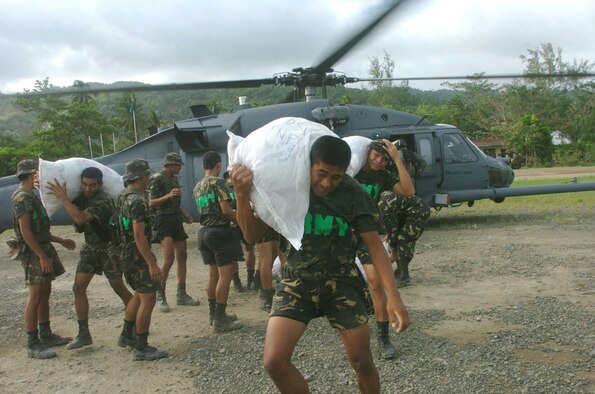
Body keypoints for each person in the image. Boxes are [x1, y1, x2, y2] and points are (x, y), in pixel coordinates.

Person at [231, 135, 410, 393]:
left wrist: (394, 297)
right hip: (296, 281)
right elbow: (251, 235)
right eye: (322, 173)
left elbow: (373, 245)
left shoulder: (351, 192)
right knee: (274, 362)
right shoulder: (288, 186)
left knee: (362, 361)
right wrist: (240, 195)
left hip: (341, 282)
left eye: (335, 177)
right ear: (310, 166)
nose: (326, 183)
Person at [45, 167, 133, 349]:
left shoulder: (102, 201)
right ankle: (84, 334)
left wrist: (62, 197)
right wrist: (45, 185)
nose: (87, 189)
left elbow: (80, 218)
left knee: (118, 286)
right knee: (78, 288)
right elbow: (65, 196)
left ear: (100, 184)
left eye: (92, 185)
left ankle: (134, 323)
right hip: (91, 248)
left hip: (109, 248)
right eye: (84, 185)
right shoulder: (83, 196)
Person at [352, 138, 415, 360]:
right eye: (376, 156)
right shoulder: (353, 169)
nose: (378, 161)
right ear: (368, 153)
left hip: (366, 234)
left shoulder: (383, 177)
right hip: (341, 233)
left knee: (377, 282)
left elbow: (408, 191)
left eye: (383, 159)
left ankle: (383, 338)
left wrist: (397, 159)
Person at [11, 159, 75, 359]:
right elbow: (26, 231)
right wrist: (41, 256)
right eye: (37, 174)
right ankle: (32, 343)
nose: (40, 177)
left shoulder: (31, 195)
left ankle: (45, 334)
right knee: (36, 295)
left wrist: (60, 240)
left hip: (42, 247)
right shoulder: (22, 198)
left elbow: (39, 230)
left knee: (45, 292)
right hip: (34, 253)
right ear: (32, 175)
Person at [115, 159, 168, 361]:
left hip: (126, 253)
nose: (148, 180)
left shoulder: (122, 197)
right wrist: (151, 263)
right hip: (138, 256)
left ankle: (126, 335)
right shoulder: (137, 201)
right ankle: (141, 347)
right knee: (149, 299)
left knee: (139, 294)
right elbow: (139, 235)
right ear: (142, 177)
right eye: (147, 176)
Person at [193, 152, 243, 332]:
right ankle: (221, 319)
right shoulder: (218, 183)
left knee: (213, 275)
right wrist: (242, 222)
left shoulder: (197, 187)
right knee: (225, 275)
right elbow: (226, 210)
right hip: (220, 233)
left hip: (204, 232)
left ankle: (213, 314)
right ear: (218, 165)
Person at [149, 152, 198, 312]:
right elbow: (150, 203)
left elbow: (175, 203)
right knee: (169, 258)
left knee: (182, 255)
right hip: (162, 220)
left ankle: (181, 293)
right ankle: (161, 294)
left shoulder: (175, 179)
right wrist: (168, 195)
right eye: (178, 165)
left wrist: (184, 214)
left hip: (175, 218)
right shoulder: (157, 178)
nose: (179, 168)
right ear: (170, 164)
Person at [378, 191, 431, 286]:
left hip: (418, 212)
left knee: (403, 239)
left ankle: (404, 275)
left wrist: (393, 252)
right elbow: (391, 225)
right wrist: (389, 234)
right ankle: (400, 270)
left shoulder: (383, 204)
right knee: (398, 237)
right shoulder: (381, 199)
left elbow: (392, 230)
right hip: (406, 214)